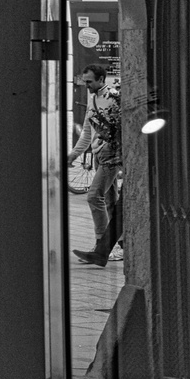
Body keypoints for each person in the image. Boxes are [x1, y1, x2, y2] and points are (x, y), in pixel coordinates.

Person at [70, 63, 122, 267]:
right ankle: (119, 245)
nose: (87, 86)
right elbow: (87, 130)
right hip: (101, 155)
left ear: (101, 79)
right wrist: (74, 153)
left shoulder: (114, 98)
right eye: (85, 82)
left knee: (94, 196)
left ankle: (102, 244)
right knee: (110, 201)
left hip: (112, 155)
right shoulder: (93, 99)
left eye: (90, 82)